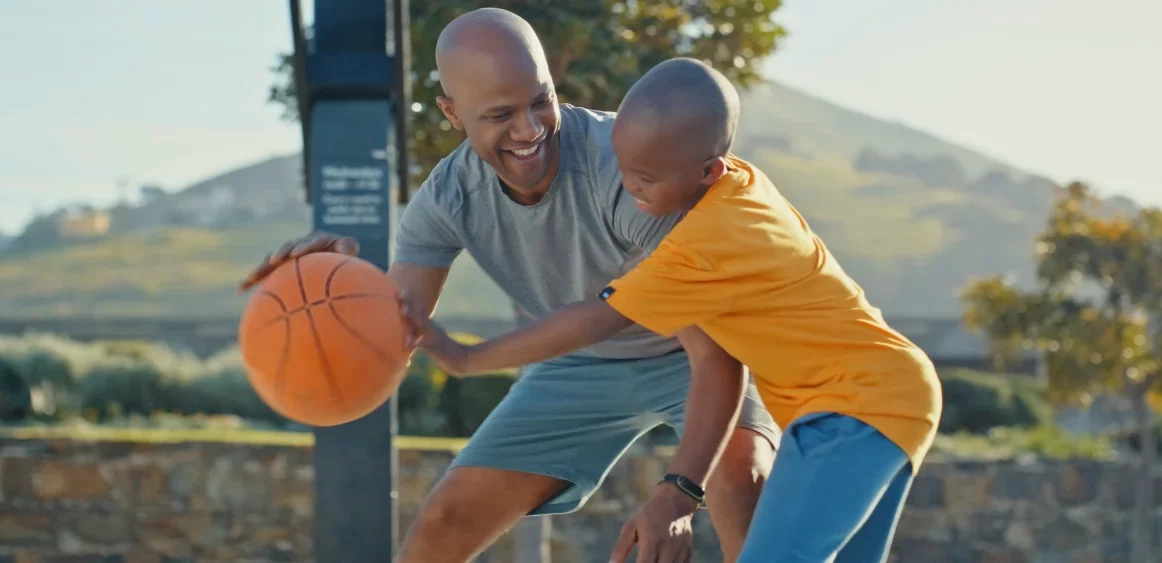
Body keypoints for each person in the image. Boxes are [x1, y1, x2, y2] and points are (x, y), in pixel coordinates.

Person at [237, 9, 780, 563]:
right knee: (445, 522)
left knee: (741, 477)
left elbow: (715, 355)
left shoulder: (630, 169)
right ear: (452, 112)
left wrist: (681, 491)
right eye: (500, 115)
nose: (529, 130)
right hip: (580, 363)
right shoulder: (447, 199)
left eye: (540, 101)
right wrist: (338, 288)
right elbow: (394, 334)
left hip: (695, 351)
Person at [406, 57, 944, 563]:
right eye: (622, 166)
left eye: (646, 177)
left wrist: (468, 358)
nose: (628, 183)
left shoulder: (705, 242)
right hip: (884, 397)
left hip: (853, 408)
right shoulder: (743, 187)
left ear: (708, 171)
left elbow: (598, 318)